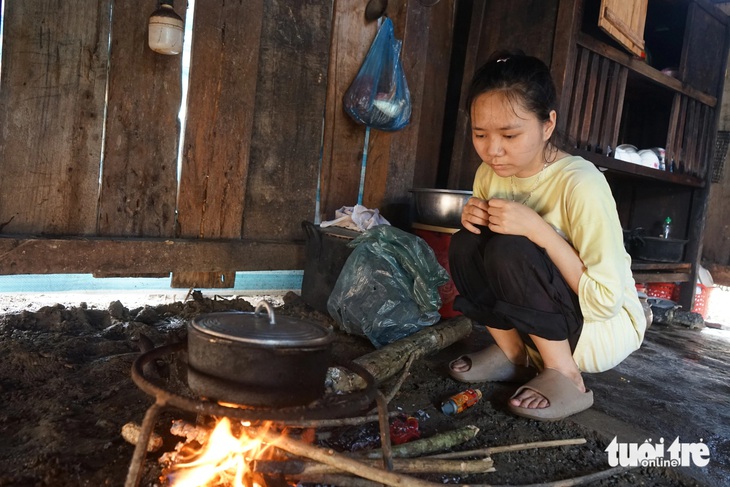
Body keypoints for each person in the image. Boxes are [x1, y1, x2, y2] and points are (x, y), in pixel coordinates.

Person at [447, 51, 647, 421]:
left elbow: (606, 301)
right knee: (464, 241)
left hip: (595, 329)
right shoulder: (490, 174)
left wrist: (539, 231)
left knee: (512, 247)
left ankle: (566, 376)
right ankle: (514, 355)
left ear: (548, 125)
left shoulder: (581, 183)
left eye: (510, 134)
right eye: (480, 134)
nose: (493, 149)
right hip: (534, 324)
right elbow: (484, 254)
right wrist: (476, 219)